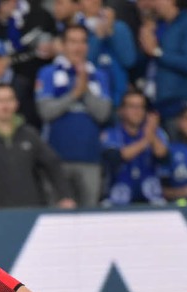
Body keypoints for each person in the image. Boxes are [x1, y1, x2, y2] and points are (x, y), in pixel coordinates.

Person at [36, 24, 112, 206]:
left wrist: (84, 90)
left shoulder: (99, 75)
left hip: (90, 159)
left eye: (82, 42)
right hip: (56, 160)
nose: (78, 47)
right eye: (72, 42)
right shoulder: (48, 73)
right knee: (56, 217)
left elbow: (103, 114)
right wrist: (74, 94)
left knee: (90, 217)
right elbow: (46, 112)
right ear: (62, 45)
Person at [0, 83, 75, 209]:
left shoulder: (30, 135)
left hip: (33, 209)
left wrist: (65, 196)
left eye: (9, 100)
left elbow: (53, 165)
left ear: (16, 103)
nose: (5, 105)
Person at [100, 87, 168, 205]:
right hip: (118, 197)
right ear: (121, 110)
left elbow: (162, 156)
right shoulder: (111, 134)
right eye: (132, 107)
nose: (137, 111)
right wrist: (146, 139)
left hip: (151, 197)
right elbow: (117, 157)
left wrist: (151, 134)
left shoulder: (157, 133)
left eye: (141, 107)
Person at [138, 0, 187, 140]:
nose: (153, 3)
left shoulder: (185, 23)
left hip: (177, 106)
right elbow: (144, 62)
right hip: (152, 105)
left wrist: (157, 52)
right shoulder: (158, 25)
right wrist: (145, 43)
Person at [160, 104, 187, 202]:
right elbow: (160, 190)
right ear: (179, 122)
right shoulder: (169, 151)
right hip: (177, 208)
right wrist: (182, 192)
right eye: (186, 119)